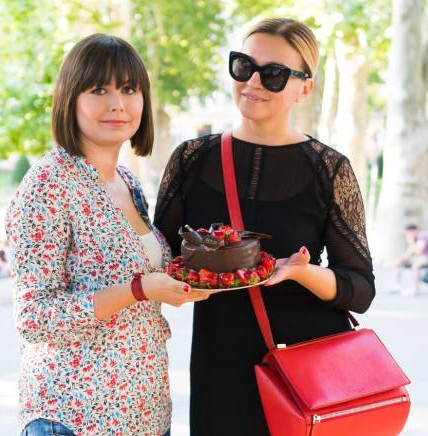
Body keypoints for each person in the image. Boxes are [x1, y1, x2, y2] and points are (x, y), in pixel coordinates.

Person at [154, 18, 375, 436]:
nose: (252, 82)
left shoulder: (330, 169)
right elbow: (158, 261)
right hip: (219, 372)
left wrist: (303, 272)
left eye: (273, 73)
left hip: (308, 378)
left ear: (304, 89)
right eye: (243, 66)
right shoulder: (190, 159)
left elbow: (361, 289)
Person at [5, 34, 208, 436]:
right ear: (71, 99)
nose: (118, 103)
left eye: (129, 89)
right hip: (75, 417)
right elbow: (34, 318)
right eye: (99, 89)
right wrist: (138, 289)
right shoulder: (48, 183)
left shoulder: (127, 182)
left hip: (144, 414)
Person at [392, 224, 428, 295]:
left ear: (414, 231)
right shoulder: (416, 238)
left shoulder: (423, 236)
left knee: (416, 265)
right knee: (398, 262)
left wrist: (411, 242)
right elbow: (409, 252)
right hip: (420, 257)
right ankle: (397, 285)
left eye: (409, 233)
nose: (408, 235)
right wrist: (401, 259)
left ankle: (415, 288)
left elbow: (419, 251)